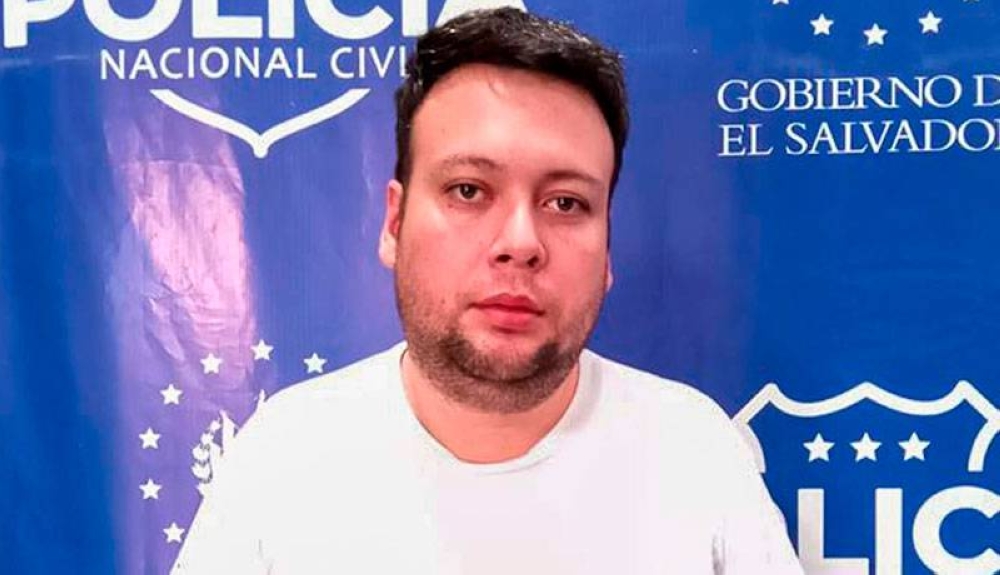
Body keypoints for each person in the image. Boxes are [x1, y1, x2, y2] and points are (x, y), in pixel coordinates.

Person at [172, 7, 804, 574]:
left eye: (566, 202)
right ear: (394, 223)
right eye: (469, 191)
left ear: (608, 249)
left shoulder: (695, 452)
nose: (520, 242)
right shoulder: (282, 458)